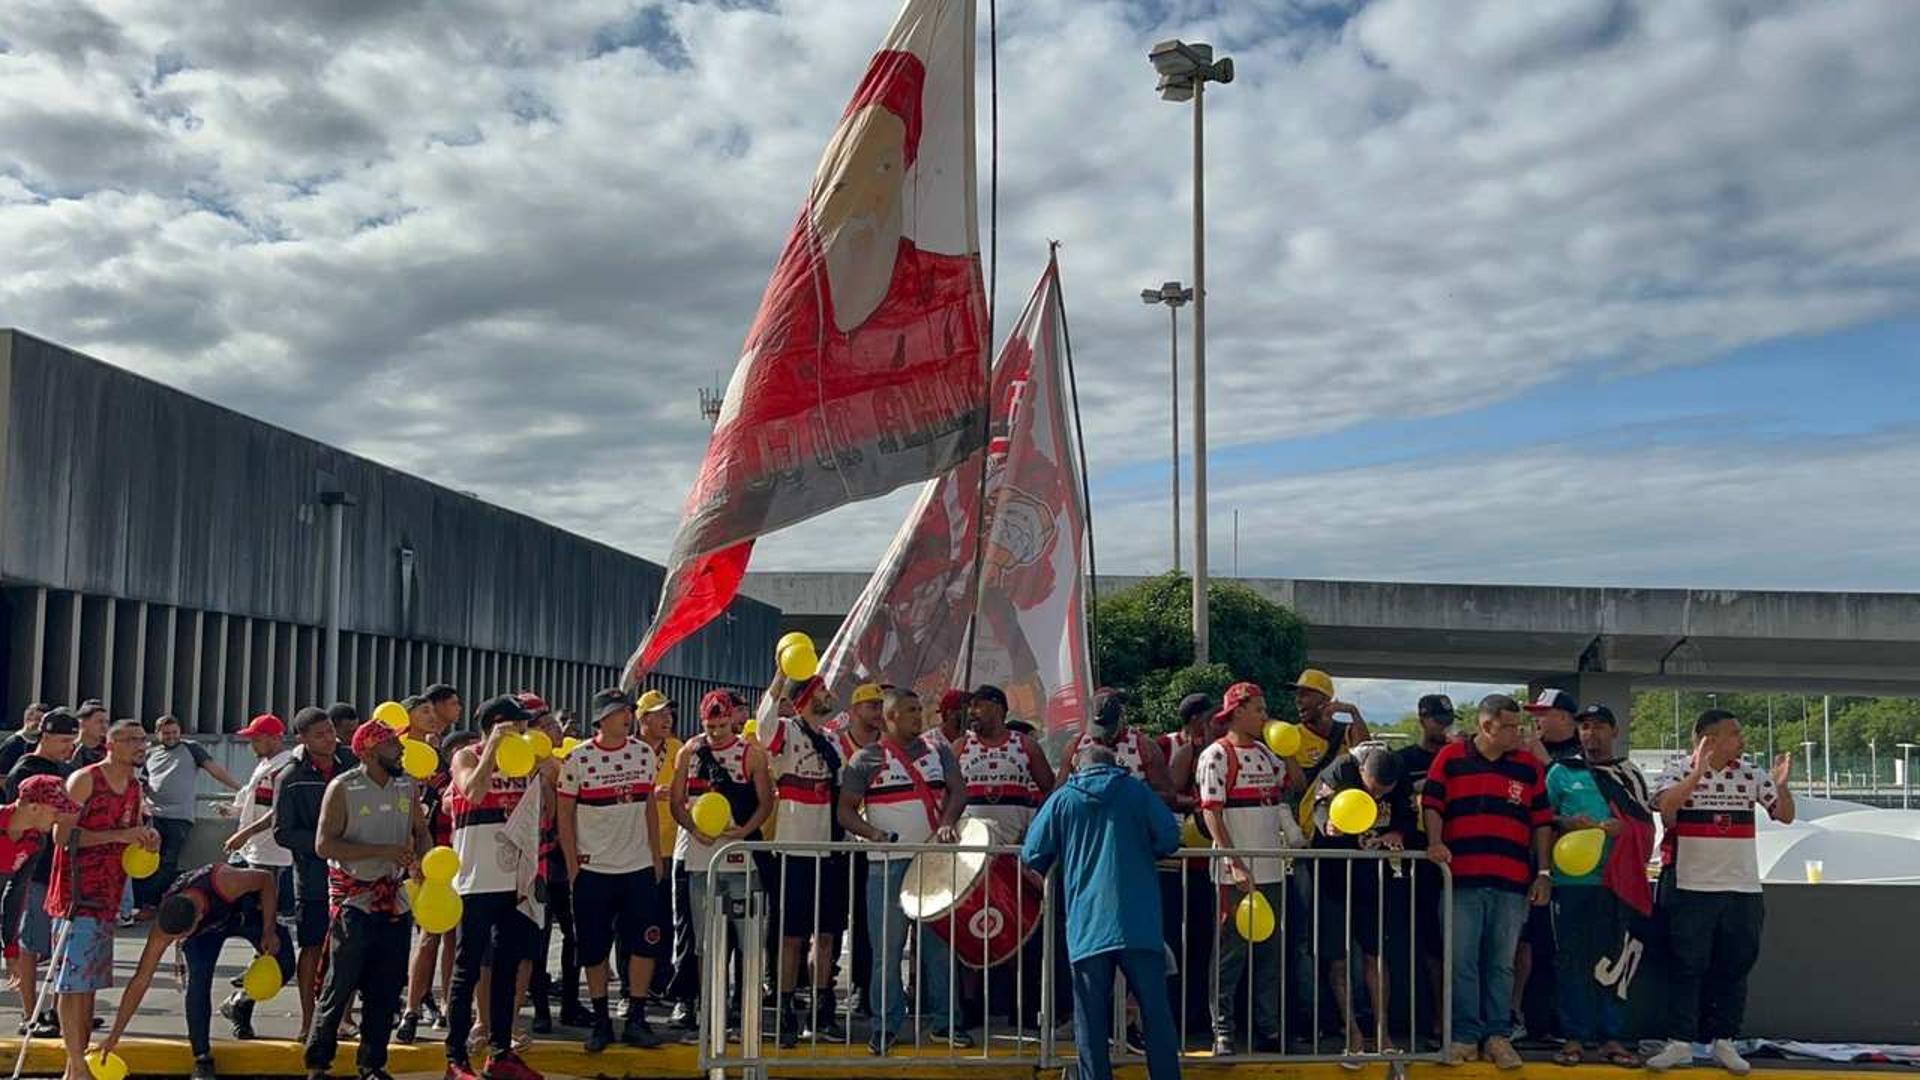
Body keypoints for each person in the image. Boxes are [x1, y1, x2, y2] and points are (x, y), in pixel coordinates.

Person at [1022, 696, 1182, 1080]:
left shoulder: (1064, 798)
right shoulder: (1136, 791)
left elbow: (1032, 852)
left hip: (1088, 925)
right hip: (1139, 922)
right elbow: (1169, 837)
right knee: (1156, 1014)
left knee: (1090, 1021)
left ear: (1078, 766)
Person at [1646, 709, 1795, 1076]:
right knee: (1686, 965)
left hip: (1742, 886)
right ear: (1710, 740)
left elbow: (1786, 816)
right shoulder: (1677, 770)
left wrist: (1782, 785)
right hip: (1690, 884)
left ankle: (1724, 1040)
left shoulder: (1750, 772)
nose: (1742, 740)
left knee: (1735, 964)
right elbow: (1665, 807)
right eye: (1734, 733)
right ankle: (1680, 1042)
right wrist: (1697, 775)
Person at [1421, 694, 1552, 1070]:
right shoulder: (1450, 758)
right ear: (1486, 726)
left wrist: (1543, 873)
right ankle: (1464, 1035)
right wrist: (1435, 841)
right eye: (1509, 726)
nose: (1517, 733)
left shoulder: (1529, 767)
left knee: (1501, 963)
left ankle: (1497, 1034)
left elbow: (1541, 821)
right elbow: (1432, 804)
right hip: (1461, 879)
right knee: (1461, 961)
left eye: (1518, 725)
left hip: (1512, 880)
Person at [837, 687, 971, 1055]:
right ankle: (885, 1025)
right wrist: (873, 833)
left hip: (933, 864)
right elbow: (845, 810)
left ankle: (947, 1022)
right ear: (890, 717)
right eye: (911, 710)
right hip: (886, 866)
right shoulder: (866, 759)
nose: (919, 715)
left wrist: (946, 823)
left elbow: (958, 792)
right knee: (887, 951)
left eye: (920, 708)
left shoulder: (939, 750)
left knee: (940, 948)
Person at [305, 721, 429, 1080]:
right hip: (356, 899)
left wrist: (421, 858)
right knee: (339, 984)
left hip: (395, 897)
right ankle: (317, 1063)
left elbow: (420, 832)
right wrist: (382, 850)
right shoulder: (343, 787)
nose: (401, 749)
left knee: (387, 987)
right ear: (369, 750)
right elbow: (324, 845)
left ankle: (373, 1064)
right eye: (393, 744)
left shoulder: (407, 785)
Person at [99, 860, 291, 1080]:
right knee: (198, 982)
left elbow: (265, 879)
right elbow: (141, 979)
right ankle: (201, 1056)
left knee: (283, 963)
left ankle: (240, 1003)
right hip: (206, 934)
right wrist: (115, 1034)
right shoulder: (166, 924)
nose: (177, 940)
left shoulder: (226, 881)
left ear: (198, 917)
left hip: (240, 912)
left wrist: (268, 929)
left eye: (181, 936)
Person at [1196, 682, 1302, 1056]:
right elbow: (1212, 812)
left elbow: (1296, 783)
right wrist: (1234, 863)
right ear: (1237, 711)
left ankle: (1268, 1029)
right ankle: (1222, 1030)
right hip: (1235, 874)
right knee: (1230, 953)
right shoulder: (1216, 755)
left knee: (1270, 953)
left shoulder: (1264, 753)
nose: (1265, 716)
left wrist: (1287, 747)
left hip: (1272, 870)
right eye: (1258, 709)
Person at [557, 689, 666, 1053]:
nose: (628, 716)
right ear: (602, 718)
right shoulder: (578, 758)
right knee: (594, 949)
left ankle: (636, 1016)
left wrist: (656, 855)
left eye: (629, 710)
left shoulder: (644, 753)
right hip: (594, 870)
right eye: (621, 711)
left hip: (637, 867)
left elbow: (649, 804)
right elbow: (564, 816)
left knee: (644, 943)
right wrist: (574, 865)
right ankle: (602, 1020)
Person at [444, 695, 545, 1080]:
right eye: (518, 724)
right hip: (475, 878)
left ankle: (500, 1052)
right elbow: (471, 791)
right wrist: (493, 749)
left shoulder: (524, 757)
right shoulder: (467, 756)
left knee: (507, 967)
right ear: (500, 724)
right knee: (467, 967)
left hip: (514, 879)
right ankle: (455, 1058)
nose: (524, 730)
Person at [49, 718, 155, 1080]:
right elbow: (63, 836)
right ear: (111, 745)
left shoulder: (135, 787)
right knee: (72, 983)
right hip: (75, 895)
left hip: (109, 895)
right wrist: (121, 835)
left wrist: (144, 839)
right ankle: (76, 1063)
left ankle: (75, 1065)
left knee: (90, 985)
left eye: (143, 739)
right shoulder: (85, 780)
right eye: (131, 740)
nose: (140, 746)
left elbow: (129, 833)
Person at [1546, 703, 1650, 1068]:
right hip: (1571, 881)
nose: (1592, 733)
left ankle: (1612, 1037)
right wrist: (1567, 821)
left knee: (1616, 958)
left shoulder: (1630, 773)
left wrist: (1627, 831)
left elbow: (1647, 826)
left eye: (1599, 726)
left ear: (1614, 732)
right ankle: (1574, 1036)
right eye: (1585, 727)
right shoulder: (1561, 771)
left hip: (1617, 882)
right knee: (1571, 959)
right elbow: (1543, 821)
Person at [667, 689, 774, 1033]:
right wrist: (691, 828)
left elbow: (765, 801)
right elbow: (676, 801)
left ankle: (746, 1011)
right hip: (701, 861)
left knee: (748, 940)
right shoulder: (690, 751)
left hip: (741, 860)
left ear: (733, 720)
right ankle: (709, 1010)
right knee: (706, 942)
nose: (715, 733)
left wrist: (746, 830)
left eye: (722, 725)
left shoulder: (750, 752)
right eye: (710, 726)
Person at [762, 678, 851, 1043]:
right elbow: (765, 721)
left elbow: (844, 785)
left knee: (826, 936)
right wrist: (780, 676)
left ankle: (821, 1008)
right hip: (793, 849)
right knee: (790, 938)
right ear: (805, 698)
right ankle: (784, 1011)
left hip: (829, 848)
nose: (829, 695)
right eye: (821, 690)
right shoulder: (785, 730)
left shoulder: (834, 740)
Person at [1308, 741, 1407, 1058]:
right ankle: (1352, 1032)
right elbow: (1319, 807)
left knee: (1375, 954)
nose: (1377, 798)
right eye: (1373, 790)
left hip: (1373, 877)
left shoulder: (1397, 772)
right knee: (1337, 958)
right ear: (1362, 771)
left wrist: (1398, 834)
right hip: (1332, 875)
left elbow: (1408, 814)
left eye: (1384, 793)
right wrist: (1329, 824)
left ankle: (1383, 1034)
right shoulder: (1340, 770)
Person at [273, 706, 354, 1040]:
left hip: (353, 872)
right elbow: (282, 831)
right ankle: (308, 1019)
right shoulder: (290, 777)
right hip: (312, 877)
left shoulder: (352, 764)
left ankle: (344, 1019)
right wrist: (324, 843)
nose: (329, 739)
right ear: (302, 738)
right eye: (320, 734)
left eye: (331, 732)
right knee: (311, 946)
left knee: (350, 948)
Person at [217, 713, 293, 1038]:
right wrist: (235, 815)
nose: (252, 743)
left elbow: (277, 813)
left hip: (272, 859)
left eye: (257, 737)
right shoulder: (264, 766)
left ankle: (243, 999)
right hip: (253, 857)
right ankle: (243, 997)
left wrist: (243, 834)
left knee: (271, 939)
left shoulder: (283, 767)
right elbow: (254, 803)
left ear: (275, 737)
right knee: (258, 935)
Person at [1512, 687, 1583, 1041]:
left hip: (1573, 873)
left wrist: (1545, 763)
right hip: (1527, 862)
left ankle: (1561, 1022)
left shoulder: (1583, 755)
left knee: (1562, 948)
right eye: (1534, 713)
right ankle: (1517, 1016)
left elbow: (1578, 811)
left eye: (1544, 713)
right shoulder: (1520, 754)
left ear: (1565, 718)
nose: (1536, 721)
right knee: (1521, 943)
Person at [3, 709, 78, 1035]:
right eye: (64, 741)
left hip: (32, 875)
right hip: (31, 875)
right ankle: (29, 1015)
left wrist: (10, 948)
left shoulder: (33, 841)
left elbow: (13, 894)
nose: (60, 819)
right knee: (34, 941)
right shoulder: (26, 771)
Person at [1390, 693, 1457, 1044]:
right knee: (1428, 944)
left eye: (1448, 720)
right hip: (1419, 859)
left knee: (1452, 944)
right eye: (1438, 720)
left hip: (1455, 856)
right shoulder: (1404, 760)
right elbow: (1396, 807)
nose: (1444, 727)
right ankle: (1434, 1019)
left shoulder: (1459, 757)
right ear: (1422, 719)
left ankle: (1449, 1020)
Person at [399, 685, 464, 1042]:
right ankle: (410, 1009)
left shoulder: (442, 759)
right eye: (424, 712)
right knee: (428, 937)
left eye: (432, 712)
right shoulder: (401, 759)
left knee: (451, 934)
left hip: (451, 852)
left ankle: (447, 1005)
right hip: (420, 858)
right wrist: (414, 860)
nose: (433, 717)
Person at [138, 715, 242, 912]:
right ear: (158, 734)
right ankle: (145, 903)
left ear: (180, 732)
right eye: (166, 733)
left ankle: (156, 904)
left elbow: (215, 770)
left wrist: (241, 788)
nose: (170, 737)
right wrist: (141, 805)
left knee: (169, 862)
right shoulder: (150, 754)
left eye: (174, 733)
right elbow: (143, 784)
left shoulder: (191, 748)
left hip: (178, 817)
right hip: (153, 816)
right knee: (149, 861)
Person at [956, 683, 1055, 840]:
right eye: (970, 707)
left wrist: (1036, 825)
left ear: (997, 708)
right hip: (970, 847)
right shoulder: (960, 746)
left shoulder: (1026, 744)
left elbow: (1051, 792)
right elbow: (946, 793)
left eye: (977, 706)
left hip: (1015, 847)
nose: (971, 712)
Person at [635, 693, 683, 1008]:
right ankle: (632, 987)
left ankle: (661, 982)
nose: (667, 719)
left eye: (669, 713)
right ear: (642, 720)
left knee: (666, 920)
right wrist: (650, 792)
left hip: (670, 846)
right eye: (658, 714)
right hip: (635, 849)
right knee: (635, 921)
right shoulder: (630, 751)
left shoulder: (679, 749)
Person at [0, 703, 49, 776]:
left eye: (42, 721)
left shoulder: (42, 743)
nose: (39, 724)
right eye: (37, 719)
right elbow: (2, 776)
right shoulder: (13, 743)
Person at [70, 702, 109, 770]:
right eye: (99, 722)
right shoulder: (68, 750)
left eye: (106, 722)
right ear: (82, 724)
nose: (104, 726)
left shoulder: (108, 753)